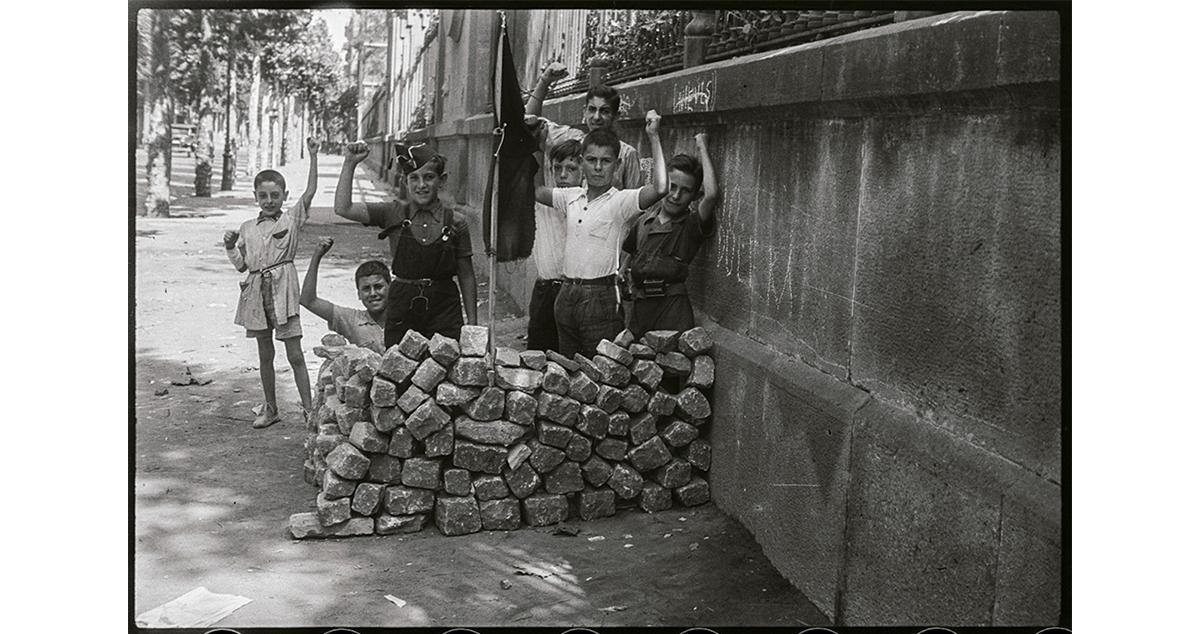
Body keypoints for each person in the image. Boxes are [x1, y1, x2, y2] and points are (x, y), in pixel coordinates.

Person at [533, 111, 668, 358]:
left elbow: (660, 188)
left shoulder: (620, 201)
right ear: (582, 162)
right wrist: (534, 143)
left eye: (605, 161)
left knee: (601, 371)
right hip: (566, 295)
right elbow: (539, 190)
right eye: (591, 160)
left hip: (600, 298)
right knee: (568, 372)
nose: (597, 167)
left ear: (617, 166)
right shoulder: (571, 196)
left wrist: (654, 136)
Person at [333, 141, 477, 346]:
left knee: (447, 368)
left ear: (441, 180)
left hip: (444, 306)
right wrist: (349, 163)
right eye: (414, 178)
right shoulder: (392, 212)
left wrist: (473, 325)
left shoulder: (456, 221)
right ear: (404, 181)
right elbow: (343, 208)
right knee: (398, 371)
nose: (421, 185)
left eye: (429, 177)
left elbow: (466, 273)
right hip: (403, 304)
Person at [224, 138, 319, 428]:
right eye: (263, 196)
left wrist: (313, 155)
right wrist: (230, 247)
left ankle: (309, 411)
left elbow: (311, 191)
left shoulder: (291, 220)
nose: (269, 201)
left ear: (284, 195)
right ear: (255, 196)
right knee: (265, 355)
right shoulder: (247, 228)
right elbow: (242, 265)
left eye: (275, 195)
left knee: (295, 354)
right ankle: (271, 408)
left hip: (283, 293)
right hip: (256, 295)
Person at [622, 132, 720, 338]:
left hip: (672, 309)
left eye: (685, 191)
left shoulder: (691, 226)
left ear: (694, 196)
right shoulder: (643, 222)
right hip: (640, 309)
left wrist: (702, 146)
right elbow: (630, 253)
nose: (676, 196)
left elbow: (711, 195)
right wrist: (623, 270)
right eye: (672, 187)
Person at [526, 62, 642, 190]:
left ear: (616, 116)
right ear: (584, 111)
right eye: (592, 109)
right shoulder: (570, 139)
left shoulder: (627, 154)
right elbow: (530, 123)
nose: (597, 117)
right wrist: (545, 81)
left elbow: (635, 201)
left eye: (604, 111)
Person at [525, 139, 584, 352]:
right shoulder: (543, 202)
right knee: (539, 356)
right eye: (557, 168)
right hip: (545, 291)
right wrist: (537, 143)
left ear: (583, 171)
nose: (563, 175)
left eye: (571, 169)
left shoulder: (587, 202)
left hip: (576, 292)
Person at [299, 236, 388, 354]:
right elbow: (308, 301)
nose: (373, 293)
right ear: (359, 294)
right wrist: (317, 256)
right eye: (366, 289)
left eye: (378, 287)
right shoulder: (352, 320)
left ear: (390, 288)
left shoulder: (405, 317)